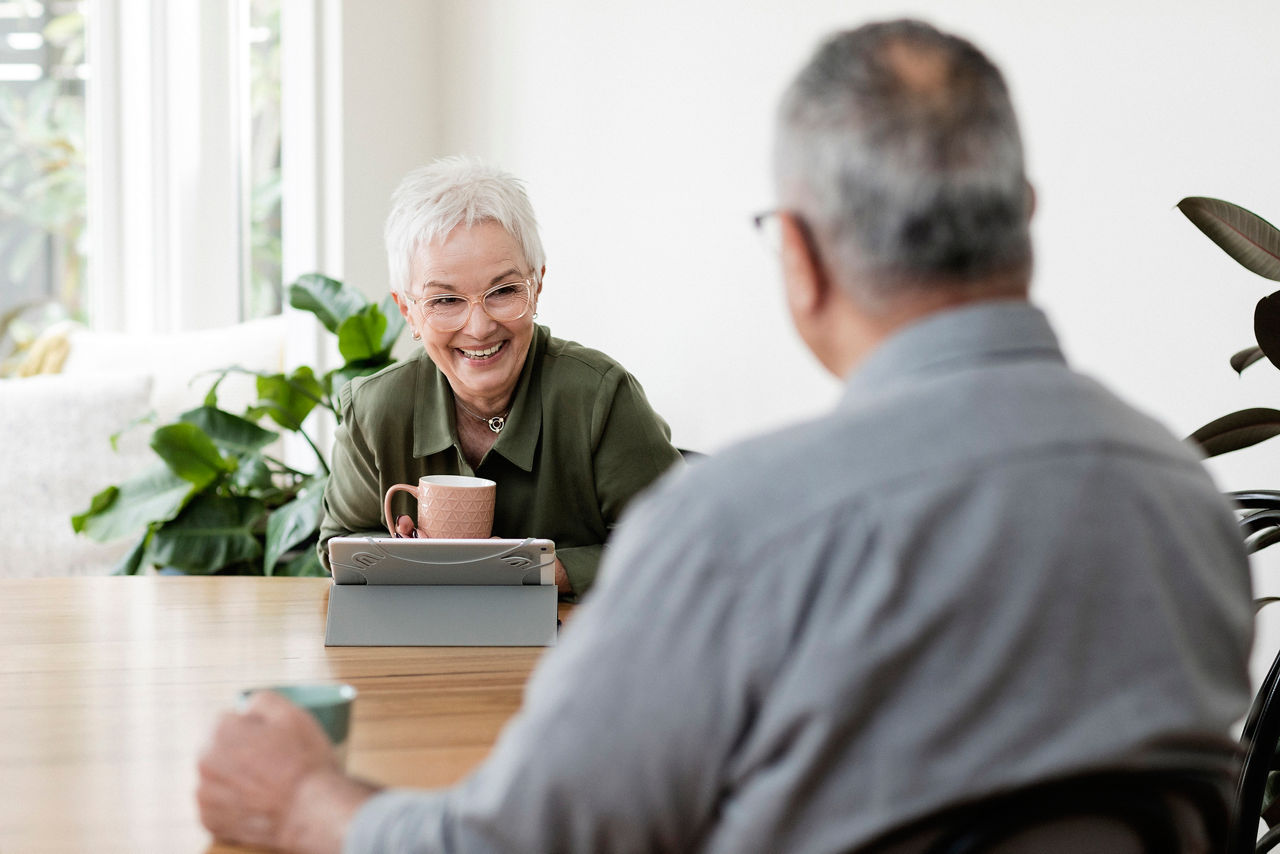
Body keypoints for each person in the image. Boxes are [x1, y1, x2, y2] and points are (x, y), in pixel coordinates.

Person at [198, 19, 1254, 853]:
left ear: (795, 257)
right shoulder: (1192, 506)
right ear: (1021, 214)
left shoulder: (733, 529)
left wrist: (307, 804)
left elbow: (518, 839)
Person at [316, 156, 683, 598]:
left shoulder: (601, 397)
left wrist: (539, 569)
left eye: (504, 291)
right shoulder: (377, 408)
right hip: (424, 647)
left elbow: (683, 545)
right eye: (445, 300)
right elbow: (339, 543)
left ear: (537, 286)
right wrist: (407, 555)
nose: (479, 327)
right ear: (407, 311)